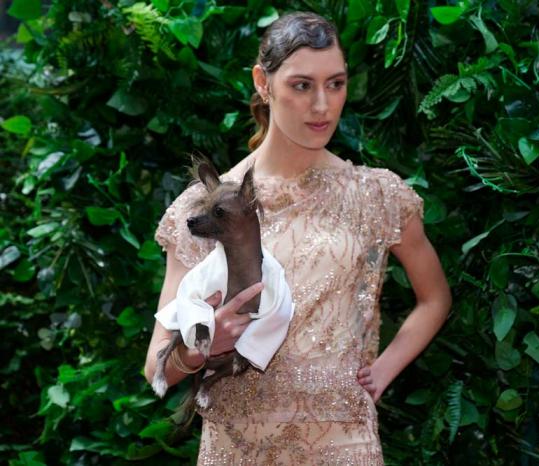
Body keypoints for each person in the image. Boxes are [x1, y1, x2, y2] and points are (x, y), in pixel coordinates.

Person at [144, 11, 451, 465]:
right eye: (302, 85)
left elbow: (435, 298)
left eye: (337, 84)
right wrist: (204, 346)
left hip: (344, 443)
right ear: (263, 84)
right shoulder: (205, 209)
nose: (324, 106)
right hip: (236, 447)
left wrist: (383, 370)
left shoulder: (379, 195)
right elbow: (157, 369)